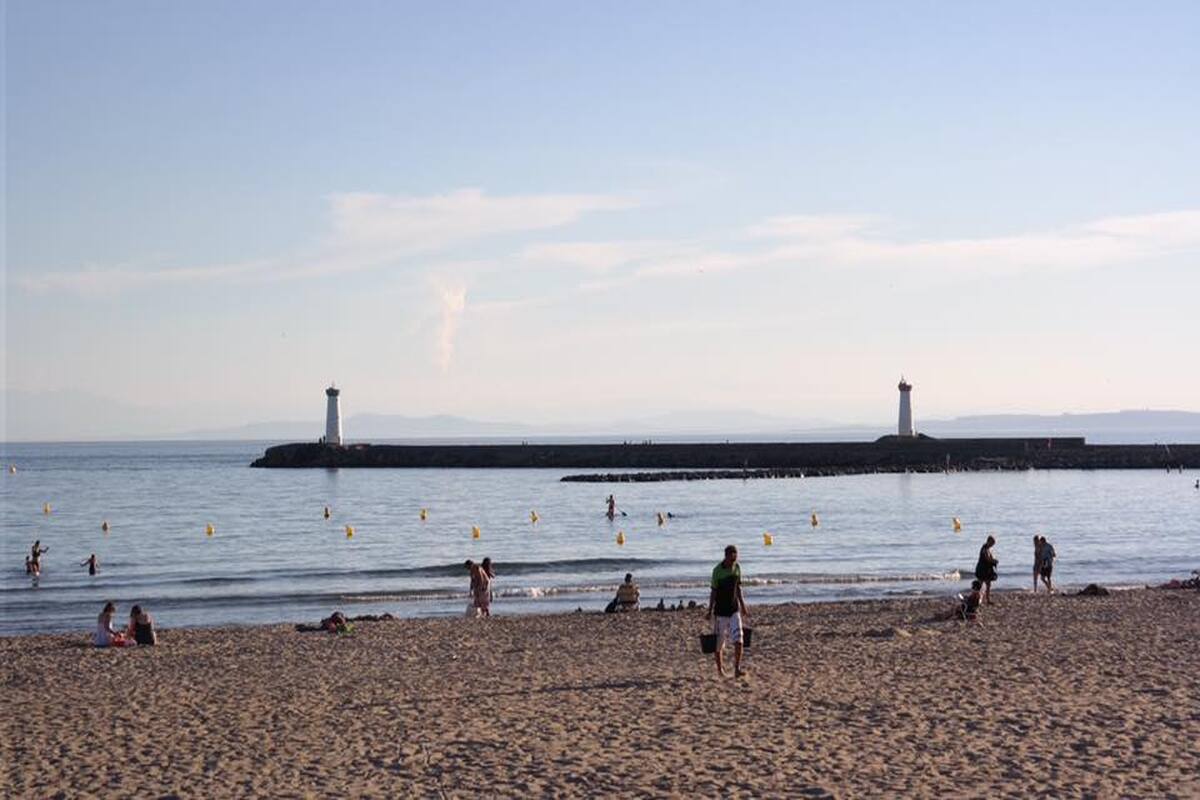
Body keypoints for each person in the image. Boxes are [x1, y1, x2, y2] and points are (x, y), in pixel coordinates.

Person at [705, 545, 749, 678]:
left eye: (735, 559)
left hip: (734, 609)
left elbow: (738, 588)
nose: (733, 562)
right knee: (718, 644)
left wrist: (743, 605)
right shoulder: (717, 571)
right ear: (726, 557)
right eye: (731, 559)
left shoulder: (737, 568)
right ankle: (720, 670)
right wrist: (710, 610)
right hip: (720, 612)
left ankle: (737, 668)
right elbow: (713, 591)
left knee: (739, 639)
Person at [974, 535, 998, 605]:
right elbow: (987, 559)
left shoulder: (988, 548)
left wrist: (994, 560)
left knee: (988, 585)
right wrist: (993, 561)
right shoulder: (984, 549)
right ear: (988, 541)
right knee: (979, 585)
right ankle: (976, 599)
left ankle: (987, 600)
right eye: (992, 543)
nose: (992, 545)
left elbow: (989, 558)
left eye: (993, 544)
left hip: (986, 570)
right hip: (982, 570)